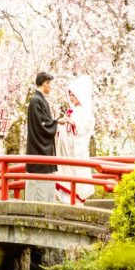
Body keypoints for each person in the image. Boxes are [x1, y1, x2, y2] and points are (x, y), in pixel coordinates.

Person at [25, 72, 66, 202]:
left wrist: (54, 123)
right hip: (39, 150)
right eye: (49, 84)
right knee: (39, 190)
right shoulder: (36, 100)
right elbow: (42, 125)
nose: (51, 87)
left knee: (44, 187)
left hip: (41, 149)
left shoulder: (39, 99)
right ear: (45, 84)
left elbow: (45, 122)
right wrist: (57, 122)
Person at [55, 75, 96, 204]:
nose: (71, 97)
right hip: (64, 151)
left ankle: (75, 201)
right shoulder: (70, 110)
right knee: (64, 175)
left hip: (76, 150)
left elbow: (86, 128)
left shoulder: (86, 112)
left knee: (76, 176)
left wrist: (74, 124)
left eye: (74, 94)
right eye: (70, 94)